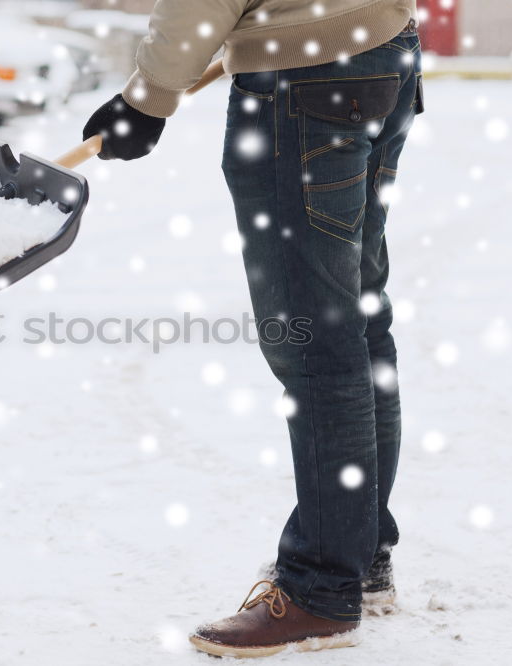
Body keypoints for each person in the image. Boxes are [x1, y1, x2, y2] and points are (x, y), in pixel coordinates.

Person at [83, 0, 424, 658]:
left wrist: (149, 96)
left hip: (308, 82)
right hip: (381, 55)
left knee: (316, 337)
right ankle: (360, 556)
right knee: (354, 319)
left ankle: (320, 589)